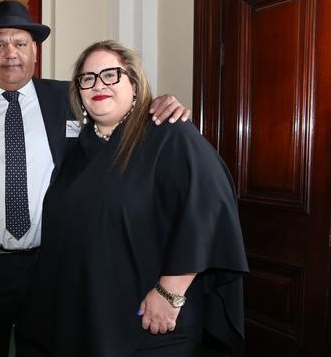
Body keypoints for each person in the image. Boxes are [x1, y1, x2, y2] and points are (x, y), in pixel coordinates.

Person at [0, 0, 192, 357]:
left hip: (55, 262)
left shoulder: (71, 98)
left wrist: (159, 104)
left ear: (35, 52)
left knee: (53, 346)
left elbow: (120, 114)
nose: (11, 53)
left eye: (21, 43)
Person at [17, 40, 249, 357]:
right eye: (88, 78)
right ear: (79, 93)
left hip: (148, 321)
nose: (99, 84)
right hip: (88, 318)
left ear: (135, 84)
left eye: (111, 74)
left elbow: (209, 209)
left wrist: (170, 292)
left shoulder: (169, 134)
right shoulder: (78, 151)